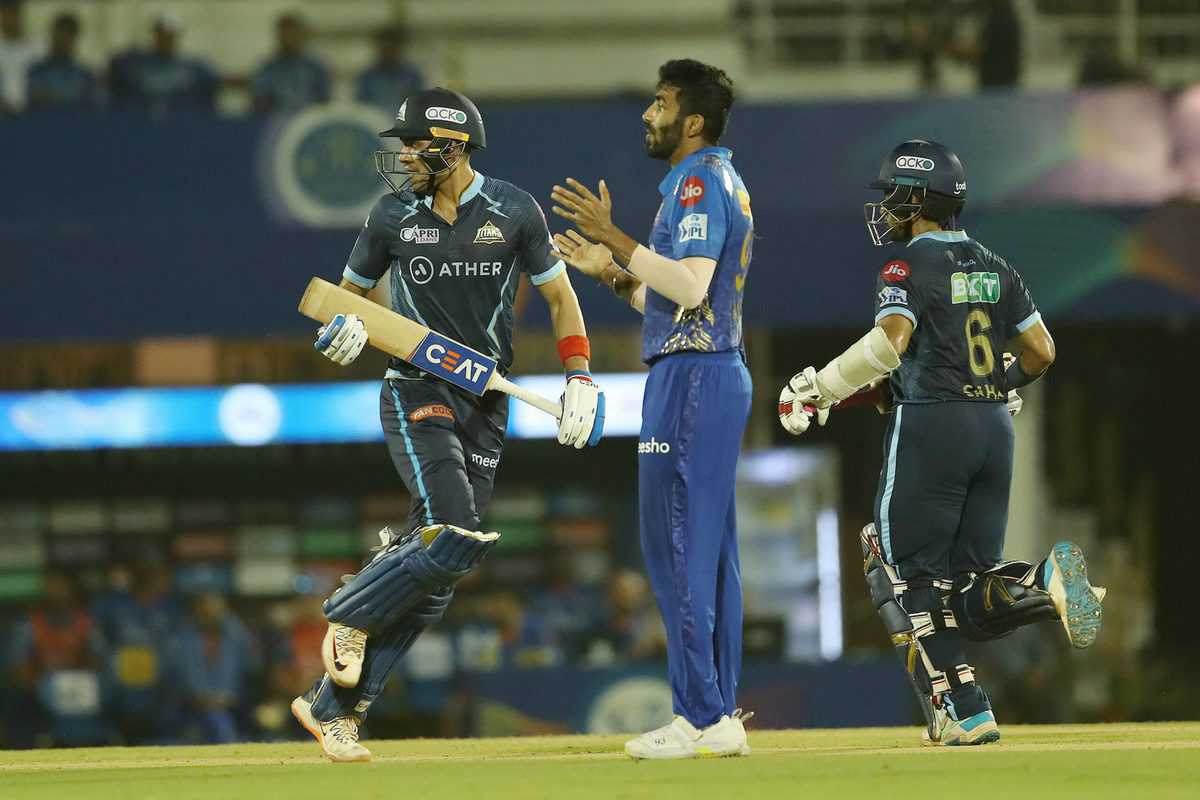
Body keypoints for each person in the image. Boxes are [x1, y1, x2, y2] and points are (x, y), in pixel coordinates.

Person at [288, 86, 604, 762]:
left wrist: (579, 372)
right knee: (454, 527)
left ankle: (335, 706)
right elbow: (344, 301)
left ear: (451, 144)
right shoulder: (389, 215)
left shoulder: (514, 210)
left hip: (487, 404)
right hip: (416, 387)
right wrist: (341, 329)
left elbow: (559, 296)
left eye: (412, 144)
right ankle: (352, 605)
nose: (402, 157)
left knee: (446, 565)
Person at [777, 139, 1108, 745]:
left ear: (916, 196)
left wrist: (819, 386)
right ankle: (1031, 597)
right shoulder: (996, 264)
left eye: (891, 195)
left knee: (899, 573)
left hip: (933, 428)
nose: (885, 208)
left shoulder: (905, 266)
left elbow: (891, 341)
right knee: (967, 588)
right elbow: (1042, 352)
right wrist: (995, 384)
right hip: (993, 429)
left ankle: (960, 705)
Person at [550, 58, 754, 759]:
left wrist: (615, 238)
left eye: (661, 103)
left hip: (692, 383)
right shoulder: (712, 181)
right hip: (709, 370)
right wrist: (613, 275)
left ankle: (697, 717)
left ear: (692, 121)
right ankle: (720, 714)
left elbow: (691, 289)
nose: (649, 113)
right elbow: (672, 303)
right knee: (710, 553)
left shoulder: (698, 181)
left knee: (675, 549)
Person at [108, 12, 220, 113]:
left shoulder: (195, 68)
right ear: (155, 34)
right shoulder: (134, 64)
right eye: (162, 34)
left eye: (170, 35)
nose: (166, 39)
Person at [252, 13, 330, 114]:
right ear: (278, 36)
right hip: (276, 122)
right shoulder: (267, 68)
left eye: (292, 34)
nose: (288, 39)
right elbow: (259, 101)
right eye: (284, 34)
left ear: (301, 35)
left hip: (309, 121)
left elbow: (325, 103)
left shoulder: (315, 67)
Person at [27, 12, 96, 111]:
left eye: (67, 36)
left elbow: (88, 105)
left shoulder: (84, 75)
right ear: (52, 36)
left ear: (74, 39)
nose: (62, 41)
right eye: (59, 35)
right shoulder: (36, 72)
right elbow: (37, 100)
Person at [355, 25, 423, 113]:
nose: (388, 52)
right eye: (384, 48)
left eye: (392, 48)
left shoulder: (412, 76)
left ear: (399, 48)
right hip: (373, 123)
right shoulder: (366, 77)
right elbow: (360, 107)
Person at [0, 0, 40, 113]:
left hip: (32, 114)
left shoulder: (38, 47)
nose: (8, 18)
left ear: (20, 14)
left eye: (12, 12)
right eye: (4, 12)